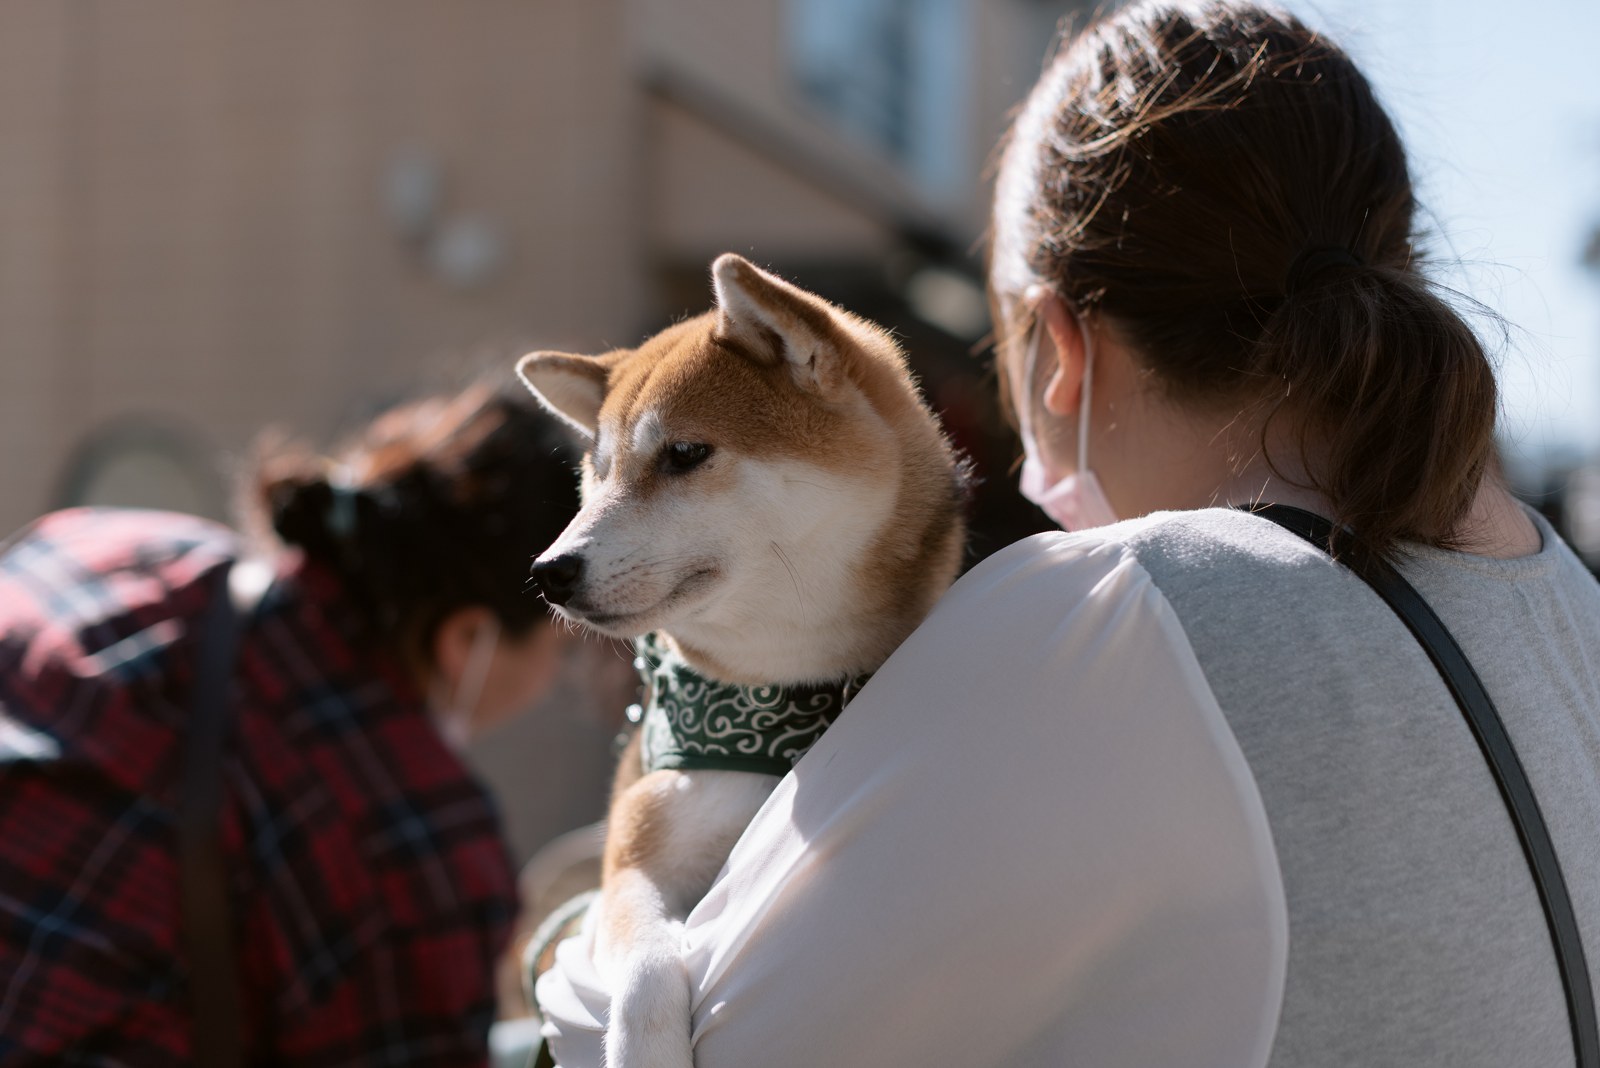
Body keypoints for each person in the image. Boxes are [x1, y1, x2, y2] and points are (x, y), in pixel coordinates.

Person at [533, 3, 1600, 1066]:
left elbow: (701, 1042)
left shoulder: (1104, 616)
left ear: (1056, 344)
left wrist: (574, 938)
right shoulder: (1570, 608)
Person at [0, 384, 581, 1065]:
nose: (551, 683)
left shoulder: (100, 549)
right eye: (561, 647)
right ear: (468, 638)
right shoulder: (414, 843)